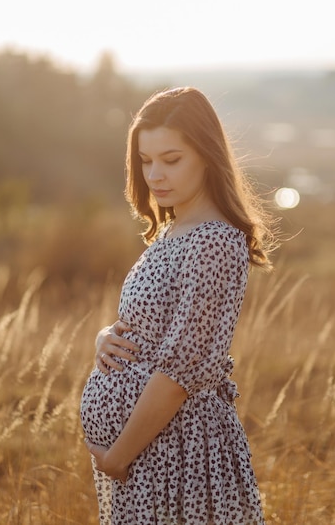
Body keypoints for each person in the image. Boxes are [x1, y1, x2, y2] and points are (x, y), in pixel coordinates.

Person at [80, 87, 275, 525]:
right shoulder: (173, 231)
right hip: (150, 457)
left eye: (171, 159)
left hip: (179, 458)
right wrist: (105, 337)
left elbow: (178, 371)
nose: (155, 175)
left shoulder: (214, 241)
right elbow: (152, 327)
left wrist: (118, 456)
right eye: (146, 161)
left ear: (206, 155)